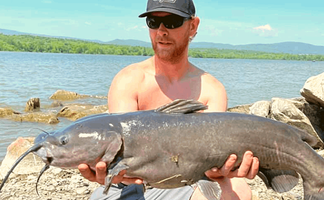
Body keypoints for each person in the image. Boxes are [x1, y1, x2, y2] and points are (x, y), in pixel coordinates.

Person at [78, 0, 260, 199]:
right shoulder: (129, 79)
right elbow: (118, 152)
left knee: (239, 191)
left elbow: (209, 160)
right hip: (126, 183)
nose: (161, 31)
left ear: (193, 26)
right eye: (153, 22)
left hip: (184, 180)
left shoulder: (211, 89)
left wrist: (220, 169)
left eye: (172, 21)